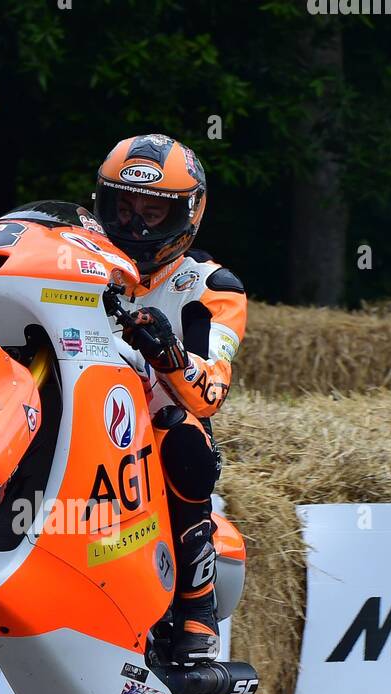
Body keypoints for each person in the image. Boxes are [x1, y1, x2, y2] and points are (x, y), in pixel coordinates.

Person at [93, 134, 247, 664]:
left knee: (188, 439)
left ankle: (197, 606)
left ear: (187, 214)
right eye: (125, 208)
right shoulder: (85, 262)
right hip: (85, 410)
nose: (136, 227)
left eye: (153, 213)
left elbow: (210, 394)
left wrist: (169, 353)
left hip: (154, 423)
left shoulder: (214, 287)